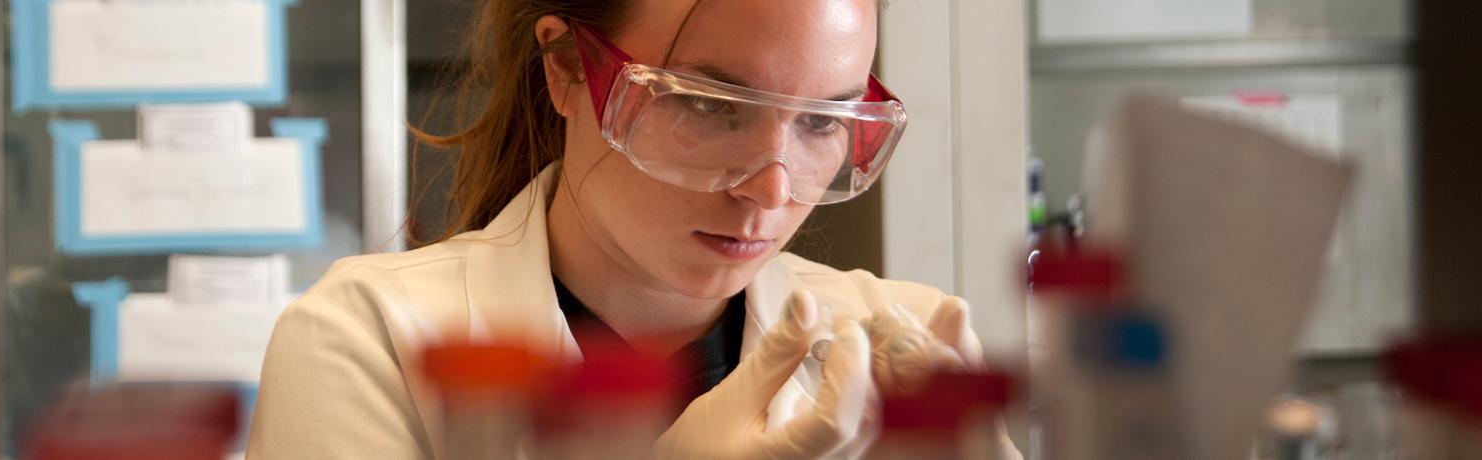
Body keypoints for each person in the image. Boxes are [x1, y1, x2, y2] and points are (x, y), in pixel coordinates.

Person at [248, 0, 1011, 457]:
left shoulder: (900, 340)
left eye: (822, 121)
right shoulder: (365, 339)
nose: (773, 188)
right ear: (568, 69)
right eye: (709, 104)